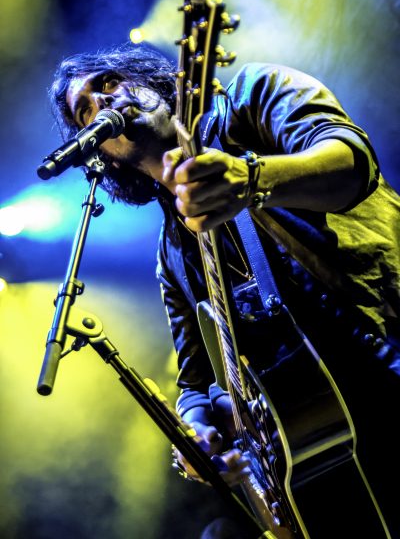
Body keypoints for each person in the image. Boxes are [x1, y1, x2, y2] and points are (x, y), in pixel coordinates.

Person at [49, 41, 400, 537]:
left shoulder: (253, 97)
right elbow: (193, 383)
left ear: (150, 80)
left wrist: (252, 179)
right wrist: (197, 433)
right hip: (324, 450)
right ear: (103, 155)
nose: (102, 101)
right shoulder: (172, 255)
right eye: (84, 110)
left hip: (385, 341)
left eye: (108, 82)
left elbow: (353, 163)